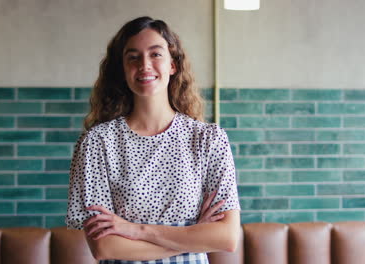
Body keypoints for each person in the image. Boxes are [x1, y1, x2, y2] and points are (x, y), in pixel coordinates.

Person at [66, 16, 240, 264]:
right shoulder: (97, 143)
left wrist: (136, 231)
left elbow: (226, 237)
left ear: (173, 64)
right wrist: (193, 237)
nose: (144, 65)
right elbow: (105, 247)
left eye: (155, 54)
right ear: (122, 69)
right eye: (133, 57)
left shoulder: (209, 139)